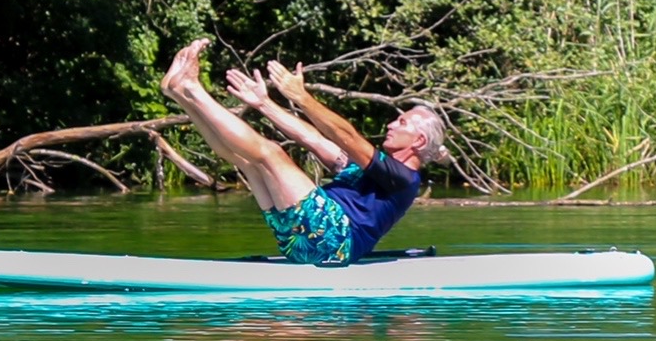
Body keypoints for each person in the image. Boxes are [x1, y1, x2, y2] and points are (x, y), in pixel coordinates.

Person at [161, 40, 446, 265]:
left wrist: (301, 97)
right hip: (307, 239)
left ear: (419, 141)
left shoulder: (404, 179)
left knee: (270, 153)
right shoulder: (364, 170)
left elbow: (345, 135)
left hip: (333, 239)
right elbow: (311, 137)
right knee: (246, 160)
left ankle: (192, 88)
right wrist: (264, 104)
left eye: (402, 122)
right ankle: (182, 95)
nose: (391, 124)